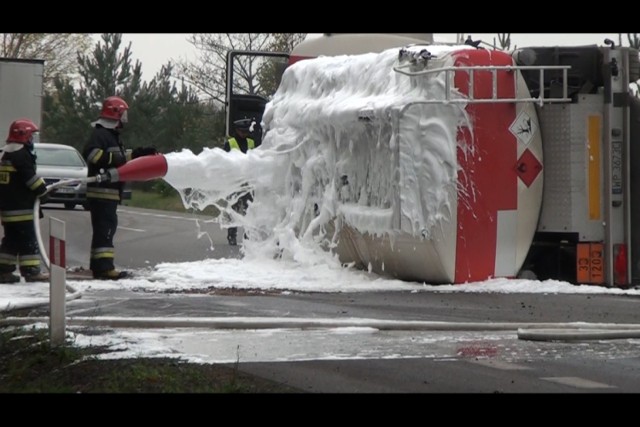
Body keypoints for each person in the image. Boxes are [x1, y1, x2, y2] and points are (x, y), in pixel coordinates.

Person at [82, 96, 157, 280]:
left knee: (105, 229)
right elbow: (92, 154)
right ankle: (104, 269)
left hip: (108, 193)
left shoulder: (110, 136)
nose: (125, 118)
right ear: (115, 114)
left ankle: (100, 266)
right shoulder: (101, 135)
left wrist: (140, 154)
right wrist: (117, 159)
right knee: (105, 230)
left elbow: (121, 157)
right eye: (123, 113)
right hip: (102, 192)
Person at [0, 119, 49, 283]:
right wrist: (43, 191)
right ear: (24, 135)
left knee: (11, 241)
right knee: (29, 240)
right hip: (23, 209)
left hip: (8, 210)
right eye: (31, 136)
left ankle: (3, 270)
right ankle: (31, 271)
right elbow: (31, 180)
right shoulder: (22, 155)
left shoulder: (5, 153)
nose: (32, 140)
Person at [223, 118, 260, 246]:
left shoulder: (251, 142)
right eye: (242, 131)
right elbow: (224, 162)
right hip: (234, 182)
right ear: (237, 130)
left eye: (246, 131)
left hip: (248, 182)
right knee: (234, 210)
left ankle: (247, 236)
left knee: (249, 210)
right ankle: (231, 236)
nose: (244, 133)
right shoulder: (230, 143)